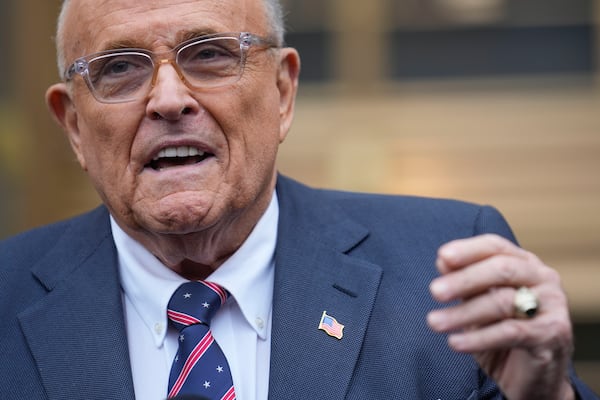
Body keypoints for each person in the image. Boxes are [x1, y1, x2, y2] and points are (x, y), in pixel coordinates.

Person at [0, 0, 597, 399]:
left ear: (283, 91)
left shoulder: (444, 268)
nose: (168, 99)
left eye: (209, 54)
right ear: (74, 125)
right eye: (120, 68)